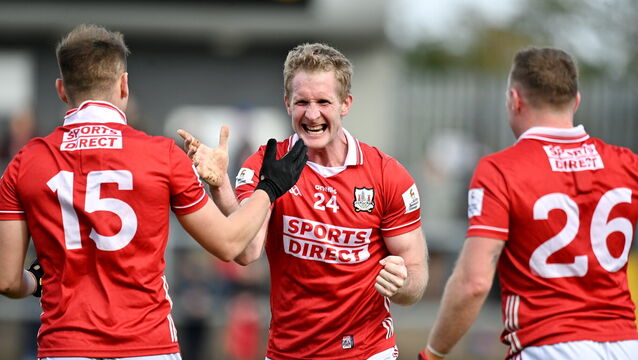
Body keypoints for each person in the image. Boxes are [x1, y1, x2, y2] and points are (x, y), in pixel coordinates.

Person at [0, 24, 307, 360]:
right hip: (148, 346)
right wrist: (270, 186)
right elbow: (232, 244)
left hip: (64, 347)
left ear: (61, 89)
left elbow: (8, 281)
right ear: (124, 85)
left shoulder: (26, 162)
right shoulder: (161, 155)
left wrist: (37, 281)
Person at [179, 42, 428, 360]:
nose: (312, 115)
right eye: (302, 102)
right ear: (287, 103)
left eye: (323, 101)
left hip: (368, 350)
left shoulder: (386, 174)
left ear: (345, 104)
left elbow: (415, 275)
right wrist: (220, 186)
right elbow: (247, 250)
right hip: (289, 351)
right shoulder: (265, 163)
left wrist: (401, 282)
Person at [418, 47, 638, 360]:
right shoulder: (627, 164)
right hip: (626, 346)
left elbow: (474, 282)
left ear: (514, 100)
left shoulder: (501, 169)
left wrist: (433, 352)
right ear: (576, 101)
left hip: (549, 345)